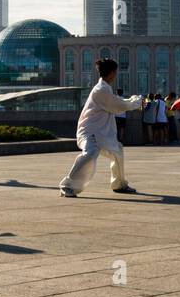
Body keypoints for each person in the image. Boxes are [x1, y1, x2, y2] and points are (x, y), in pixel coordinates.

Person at [60, 58, 144, 197]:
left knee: (117, 152)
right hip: (90, 132)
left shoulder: (105, 88)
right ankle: (67, 186)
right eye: (115, 72)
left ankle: (119, 184)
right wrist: (134, 102)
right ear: (111, 73)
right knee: (90, 153)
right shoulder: (101, 90)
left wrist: (132, 101)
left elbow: (116, 102)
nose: (116, 74)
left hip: (100, 133)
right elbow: (118, 105)